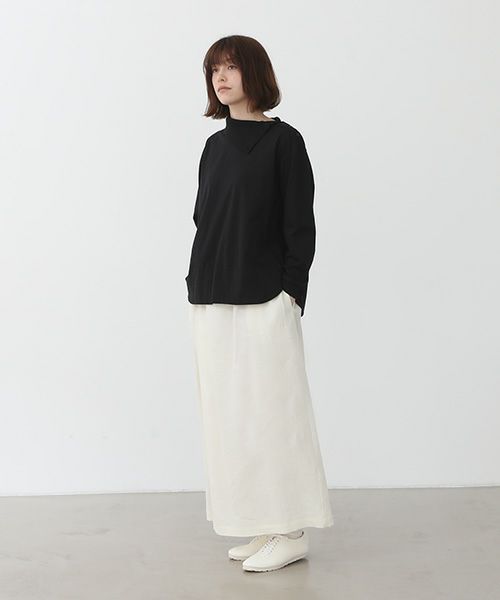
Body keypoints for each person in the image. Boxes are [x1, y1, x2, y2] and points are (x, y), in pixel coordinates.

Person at [185, 35, 334, 573]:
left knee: (275, 412)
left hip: (266, 297)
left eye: (231, 67)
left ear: (255, 73)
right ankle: (264, 523)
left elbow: (300, 225)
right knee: (231, 417)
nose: (221, 78)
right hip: (212, 296)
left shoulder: (284, 142)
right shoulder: (214, 147)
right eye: (214, 70)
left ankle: (290, 530)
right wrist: (197, 280)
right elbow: (204, 220)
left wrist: (291, 293)